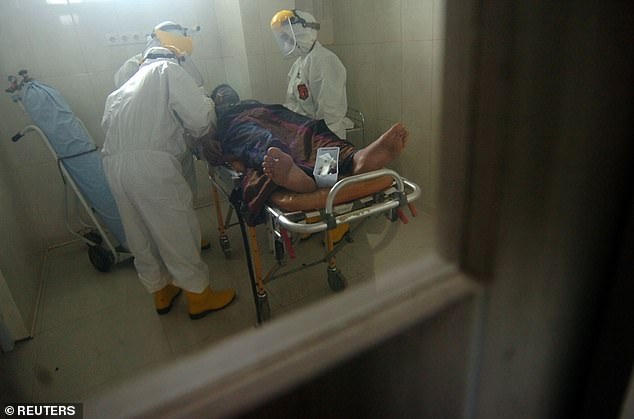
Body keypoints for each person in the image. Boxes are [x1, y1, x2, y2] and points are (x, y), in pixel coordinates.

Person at [101, 46, 235, 320]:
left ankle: (161, 290)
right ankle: (199, 296)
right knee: (176, 230)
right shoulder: (167, 69)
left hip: (113, 165)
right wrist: (209, 110)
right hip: (151, 165)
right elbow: (199, 119)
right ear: (174, 58)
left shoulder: (123, 88)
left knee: (139, 232)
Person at [203, 84, 408, 224]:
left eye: (227, 91)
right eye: (220, 94)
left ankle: (356, 159)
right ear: (214, 103)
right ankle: (297, 174)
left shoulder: (254, 103)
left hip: (273, 115)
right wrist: (211, 138)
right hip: (239, 124)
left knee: (309, 131)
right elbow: (213, 146)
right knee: (258, 139)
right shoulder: (219, 120)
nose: (225, 94)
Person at [114, 21, 205, 220]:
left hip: (130, 157)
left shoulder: (178, 62)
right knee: (175, 221)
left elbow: (196, 88)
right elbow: (200, 115)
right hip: (157, 152)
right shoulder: (137, 68)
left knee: (148, 226)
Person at [270, 9, 354, 139]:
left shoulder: (325, 61)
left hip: (325, 138)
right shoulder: (299, 63)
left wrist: (320, 142)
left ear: (301, 33)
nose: (286, 42)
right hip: (306, 134)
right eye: (284, 38)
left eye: (288, 37)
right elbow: (293, 104)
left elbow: (330, 114)